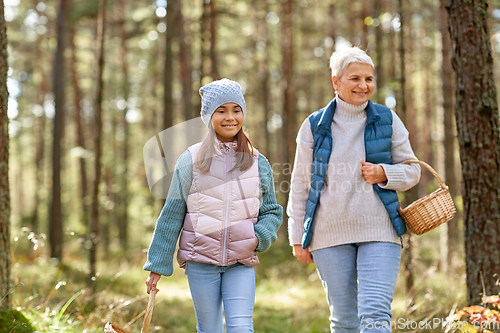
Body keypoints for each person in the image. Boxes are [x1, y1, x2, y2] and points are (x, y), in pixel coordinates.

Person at [287, 47, 421, 333]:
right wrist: (297, 237)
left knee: (375, 314)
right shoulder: (313, 126)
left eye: (369, 79)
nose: (364, 85)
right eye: (355, 78)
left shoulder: (387, 119)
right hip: (329, 234)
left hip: (380, 231)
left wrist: (384, 173)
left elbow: (413, 170)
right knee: (344, 319)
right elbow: (301, 183)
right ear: (336, 82)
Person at [144, 78, 283, 333]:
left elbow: (271, 211)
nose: (230, 117)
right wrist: (156, 266)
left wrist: (257, 238)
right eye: (221, 111)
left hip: (241, 262)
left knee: (241, 327)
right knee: (209, 329)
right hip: (201, 262)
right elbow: (172, 215)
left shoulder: (257, 162)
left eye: (236, 110)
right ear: (208, 116)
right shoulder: (191, 160)